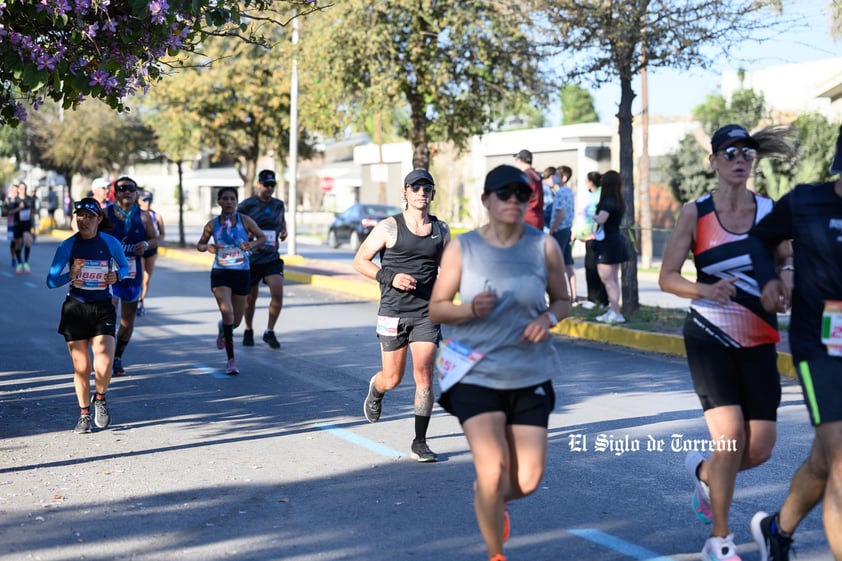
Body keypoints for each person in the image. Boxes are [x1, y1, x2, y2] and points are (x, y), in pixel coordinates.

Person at [659, 123, 795, 561]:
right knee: (731, 439)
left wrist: (785, 281)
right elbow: (668, 277)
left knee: (760, 447)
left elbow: (788, 258)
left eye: (747, 153)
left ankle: (703, 472)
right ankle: (719, 539)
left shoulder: (772, 211)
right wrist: (704, 290)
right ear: (715, 161)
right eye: (730, 152)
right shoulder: (694, 213)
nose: (740, 159)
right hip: (710, 334)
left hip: (759, 336)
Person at [428, 164, 570, 561]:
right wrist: (469, 309)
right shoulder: (464, 247)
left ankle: (490, 498)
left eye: (521, 195)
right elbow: (437, 308)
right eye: (504, 195)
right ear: (486, 200)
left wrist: (548, 318)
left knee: (527, 479)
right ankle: (496, 553)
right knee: (491, 471)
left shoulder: (544, 246)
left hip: (529, 372)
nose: (513, 201)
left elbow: (563, 299)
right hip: (475, 372)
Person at [747, 125, 842, 561]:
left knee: (826, 463)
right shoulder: (805, 201)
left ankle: (777, 531)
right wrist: (769, 279)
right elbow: (760, 238)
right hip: (820, 346)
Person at [356, 169, 450, 462]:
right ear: (405, 193)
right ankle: (377, 388)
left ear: (432, 194)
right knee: (393, 379)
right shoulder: (389, 227)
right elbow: (360, 261)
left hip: (426, 313)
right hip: (393, 312)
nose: (422, 192)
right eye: (416, 187)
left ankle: (420, 441)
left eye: (427, 188)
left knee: (424, 376)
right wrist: (390, 277)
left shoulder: (441, 229)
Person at [46, 197, 130, 434]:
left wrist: (117, 276)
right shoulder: (67, 246)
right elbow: (51, 281)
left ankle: (100, 399)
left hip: (103, 307)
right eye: (79, 215)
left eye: (90, 216)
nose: (83, 220)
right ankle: (84, 414)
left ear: (98, 219)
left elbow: (123, 268)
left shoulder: (110, 243)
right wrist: (69, 275)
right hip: (76, 309)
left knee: (103, 365)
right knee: (82, 368)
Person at [196, 187, 265, 375]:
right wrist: (208, 247)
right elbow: (200, 244)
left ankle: (223, 329)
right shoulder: (212, 224)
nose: (228, 202)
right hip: (221, 273)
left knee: (235, 321)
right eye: (224, 198)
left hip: (241, 273)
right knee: (228, 314)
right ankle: (231, 360)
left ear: (236, 201)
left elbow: (262, 237)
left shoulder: (245, 221)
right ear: (219, 202)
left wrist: (251, 244)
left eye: (232, 198)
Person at [103, 176, 158, 377]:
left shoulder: (144, 217)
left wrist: (146, 245)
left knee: (127, 322)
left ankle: (118, 356)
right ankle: (105, 356)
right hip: (109, 274)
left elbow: (154, 239)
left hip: (132, 275)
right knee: (108, 315)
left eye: (131, 188)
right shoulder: (106, 214)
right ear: (116, 193)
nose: (127, 191)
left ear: (136, 192)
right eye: (122, 188)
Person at [237, 169, 287, 349]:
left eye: (272, 185)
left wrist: (283, 230)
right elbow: (236, 225)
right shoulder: (247, 205)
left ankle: (269, 331)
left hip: (272, 257)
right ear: (258, 184)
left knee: (277, 293)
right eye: (266, 185)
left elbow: (281, 221)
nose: (269, 188)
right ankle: (248, 329)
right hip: (252, 258)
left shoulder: (279, 205)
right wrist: (247, 236)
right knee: (250, 298)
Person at [593, 170, 632, 323]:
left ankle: (615, 312)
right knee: (613, 279)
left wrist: (592, 216)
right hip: (614, 240)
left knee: (608, 279)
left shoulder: (609, 200)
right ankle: (614, 310)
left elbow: (602, 219)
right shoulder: (618, 199)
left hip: (608, 243)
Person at [572, 171, 608, 309]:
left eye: (586, 180)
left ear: (591, 182)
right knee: (590, 268)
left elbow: (597, 217)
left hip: (594, 236)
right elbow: (582, 217)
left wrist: (591, 233)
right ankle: (593, 298)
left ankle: (598, 300)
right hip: (586, 237)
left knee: (596, 269)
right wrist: (576, 231)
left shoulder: (599, 196)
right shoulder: (589, 196)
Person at [549, 165, 577, 301]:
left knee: (557, 263)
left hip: (560, 230)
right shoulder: (569, 191)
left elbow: (560, 213)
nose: (555, 177)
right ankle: (573, 294)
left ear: (564, 177)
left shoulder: (561, 193)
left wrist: (552, 230)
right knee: (567, 263)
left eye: (558, 174)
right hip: (567, 229)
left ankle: (560, 295)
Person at [137, 191, 165, 317]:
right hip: (139, 249)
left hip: (151, 249)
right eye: (144, 200)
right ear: (139, 200)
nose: (147, 202)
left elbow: (162, 233)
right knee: (141, 277)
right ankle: (135, 300)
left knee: (147, 278)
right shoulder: (135, 214)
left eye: (149, 200)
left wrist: (156, 241)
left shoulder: (156, 216)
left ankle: (141, 300)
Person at [9, 182, 37, 274]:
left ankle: (25, 262)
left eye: (24, 188)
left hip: (26, 223)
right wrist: (19, 209)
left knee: (27, 241)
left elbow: (33, 210)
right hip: (17, 223)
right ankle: (19, 261)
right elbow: (10, 212)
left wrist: (32, 213)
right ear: (18, 189)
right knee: (18, 244)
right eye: (21, 188)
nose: (22, 190)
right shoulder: (15, 200)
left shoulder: (29, 199)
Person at [512, 149, 544, 230]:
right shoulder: (535, 175)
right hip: (538, 219)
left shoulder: (525, 176)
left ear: (519, 160)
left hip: (527, 220)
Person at [5, 183, 18, 268]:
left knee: (20, 240)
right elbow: (7, 212)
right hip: (11, 223)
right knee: (13, 241)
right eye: (13, 190)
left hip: (20, 222)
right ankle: (13, 257)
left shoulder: (20, 199)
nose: (14, 191)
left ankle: (17, 256)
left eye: (16, 190)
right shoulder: (9, 199)